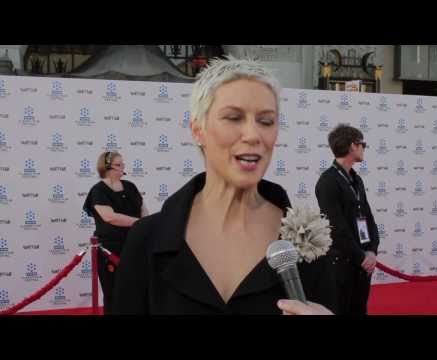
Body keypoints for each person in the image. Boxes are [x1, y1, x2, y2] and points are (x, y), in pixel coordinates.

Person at [112, 57, 337, 315]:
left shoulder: (307, 242)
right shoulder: (147, 240)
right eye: (233, 117)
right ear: (198, 130)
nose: (253, 135)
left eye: (266, 121)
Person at [315, 124, 380, 315]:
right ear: (353, 145)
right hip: (343, 262)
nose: (364, 148)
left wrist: (372, 250)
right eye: (363, 144)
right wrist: (362, 257)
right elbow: (336, 227)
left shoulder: (356, 179)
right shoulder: (328, 181)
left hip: (362, 261)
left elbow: (367, 216)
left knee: (359, 309)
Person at [83, 151, 148, 314]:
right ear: (106, 167)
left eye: (123, 164)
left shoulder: (131, 186)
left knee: (138, 291)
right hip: (110, 249)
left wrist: (147, 224)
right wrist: (140, 223)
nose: (123, 168)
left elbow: (143, 211)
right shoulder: (98, 190)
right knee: (113, 292)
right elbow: (109, 217)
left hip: (135, 245)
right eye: (118, 165)